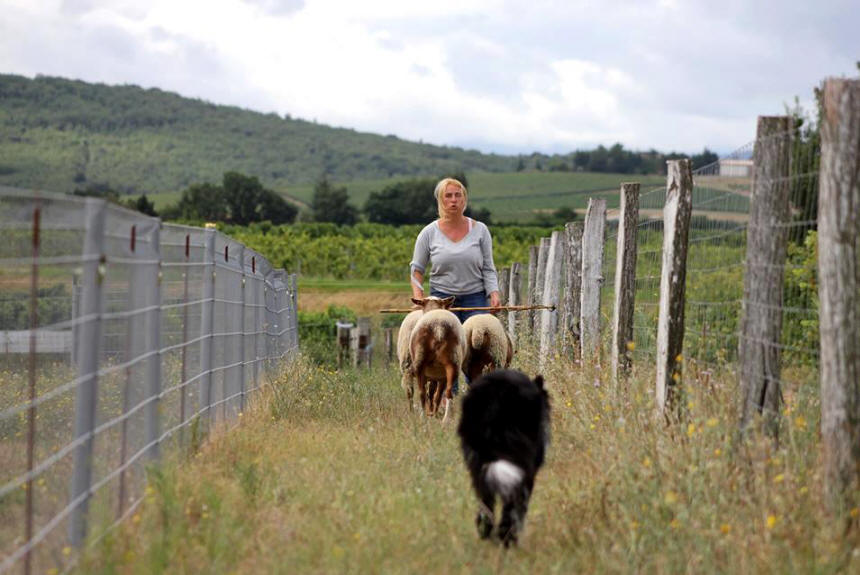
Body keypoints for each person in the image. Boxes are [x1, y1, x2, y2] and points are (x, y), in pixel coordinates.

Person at [409, 177, 501, 324]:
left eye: (458, 195)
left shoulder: (480, 230)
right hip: (441, 300)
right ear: (440, 200)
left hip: (475, 299)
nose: (454, 200)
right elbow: (417, 269)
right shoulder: (428, 233)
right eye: (448, 195)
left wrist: (494, 293)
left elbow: (488, 267)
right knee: (443, 341)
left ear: (464, 200)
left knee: (477, 340)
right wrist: (419, 298)